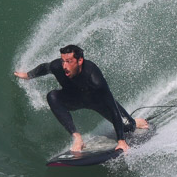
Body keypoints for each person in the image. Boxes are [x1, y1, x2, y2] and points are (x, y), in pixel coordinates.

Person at [15, 44, 149, 153]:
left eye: (69, 62)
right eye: (63, 61)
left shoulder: (94, 78)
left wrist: (121, 141)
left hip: (98, 101)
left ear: (80, 61)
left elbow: (111, 105)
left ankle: (133, 122)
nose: (64, 66)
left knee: (127, 127)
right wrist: (28, 75)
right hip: (74, 100)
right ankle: (77, 137)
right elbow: (45, 68)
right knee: (52, 96)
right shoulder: (58, 67)